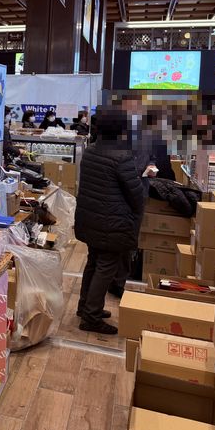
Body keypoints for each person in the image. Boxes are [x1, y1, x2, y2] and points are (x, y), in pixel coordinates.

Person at [74, 108, 145, 334]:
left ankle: (85, 306)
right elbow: (136, 195)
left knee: (93, 261)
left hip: (91, 219)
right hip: (112, 223)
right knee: (106, 266)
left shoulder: (91, 151)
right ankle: (92, 316)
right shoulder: (121, 156)